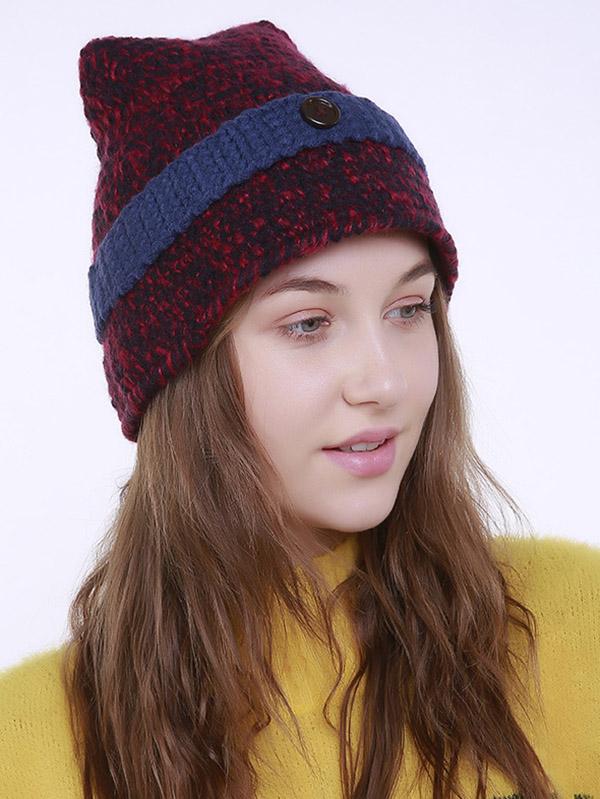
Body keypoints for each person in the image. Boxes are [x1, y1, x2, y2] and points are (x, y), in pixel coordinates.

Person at [0, 19, 598, 799]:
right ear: (177, 370)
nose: (383, 380)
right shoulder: (30, 740)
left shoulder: (572, 623)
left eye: (409, 308)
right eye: (309, 323)